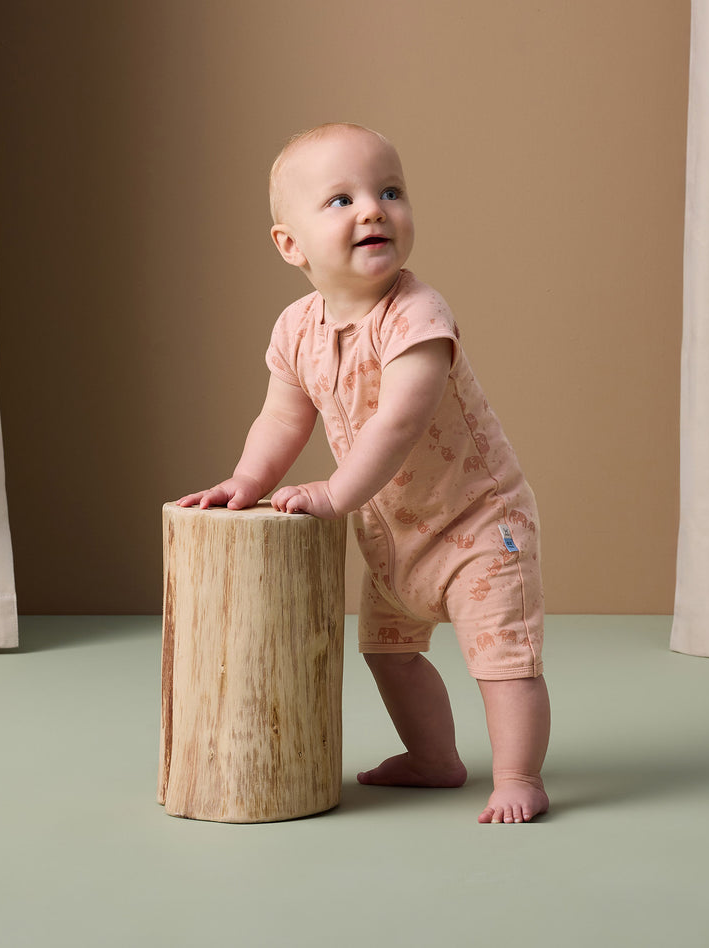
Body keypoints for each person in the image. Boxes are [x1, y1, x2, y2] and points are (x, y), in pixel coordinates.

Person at [178, 123, 551, 824]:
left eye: (389, 192)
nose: (373, 210)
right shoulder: (296, 329)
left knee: (504, 660)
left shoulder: (417, 315)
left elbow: (399, 422)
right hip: (398, 534)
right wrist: (247, 480)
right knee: (389, 653)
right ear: (290, 245)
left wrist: (332, 493)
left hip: (477, 522)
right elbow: (282, 420)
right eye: (340, 200)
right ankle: (435, 758)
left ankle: (519, 775)